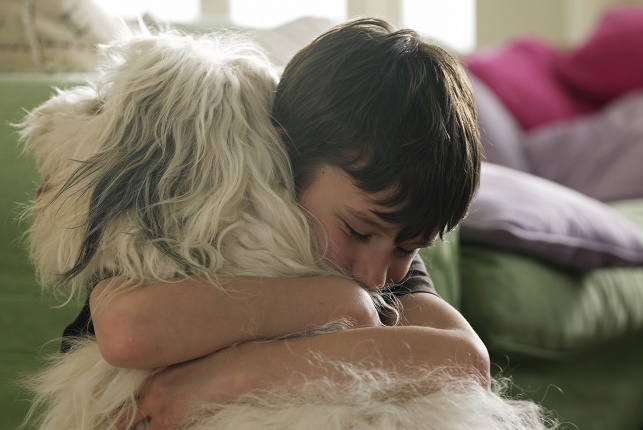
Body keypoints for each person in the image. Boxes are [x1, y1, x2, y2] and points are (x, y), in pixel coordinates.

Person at [65, 17, 485, 429]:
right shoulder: (193, 209)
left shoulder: (380, 251)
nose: (375, 278)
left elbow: (467, 362)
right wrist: (342, 305)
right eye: (358, 231)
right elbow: (127, 331)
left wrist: (230, 377)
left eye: (409, 248)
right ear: (284, 158)